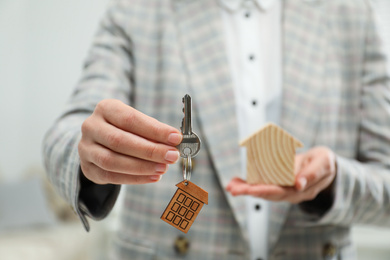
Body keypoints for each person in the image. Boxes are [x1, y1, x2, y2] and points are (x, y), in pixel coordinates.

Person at [43, 0, 390, 259]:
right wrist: (89, 154)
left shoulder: (352, 14)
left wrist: (334, 183)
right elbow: (67, 132)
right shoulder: (137, 11)